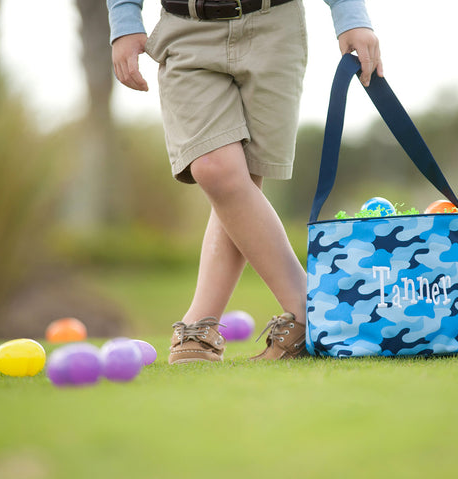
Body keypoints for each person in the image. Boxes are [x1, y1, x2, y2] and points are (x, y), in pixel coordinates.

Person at [106, 0, 383, 364]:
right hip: (185, 26)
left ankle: (201, 325)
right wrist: (124, 17)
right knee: (214, 167)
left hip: (274, 26)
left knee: (242, 177)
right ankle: (312, 310)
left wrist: (350, 15)